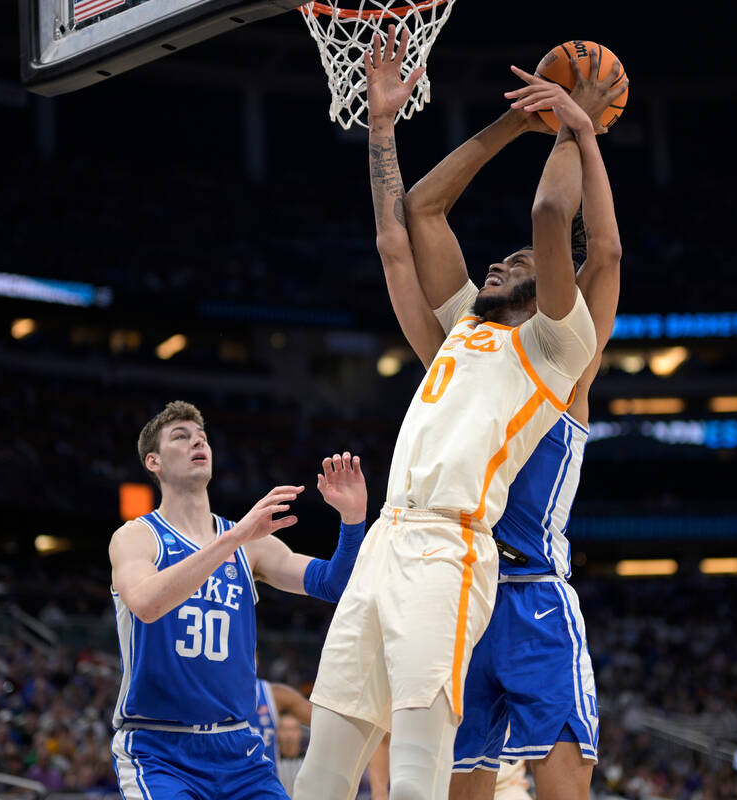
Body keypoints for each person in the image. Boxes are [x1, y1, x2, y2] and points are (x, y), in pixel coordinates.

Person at [295, 27, 599, 800]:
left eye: (519, 263)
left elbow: (552, 219)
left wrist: (571, 129)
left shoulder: (552, 350)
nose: (501, 262)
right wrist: (385, 127)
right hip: (393, 539)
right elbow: (409, 228)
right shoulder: (461, 333)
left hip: (459, 548)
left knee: (421, 766)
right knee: (327, 759)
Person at [108, 401, 367, 800]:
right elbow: (145, 603)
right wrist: (233, 539)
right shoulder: (137, 537)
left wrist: (352, 522)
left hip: (238, 750)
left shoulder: (249, 543)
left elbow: (333, 584)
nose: (198, 441)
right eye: (181, 436)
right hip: (159, 749)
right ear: (153, 462)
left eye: (203, 437)